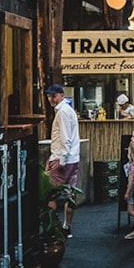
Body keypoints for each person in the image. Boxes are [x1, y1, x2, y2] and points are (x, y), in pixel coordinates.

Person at [44, 84, 80, 238]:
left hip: (61, 159)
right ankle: (66, 227)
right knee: (69, 193)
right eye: (49, 96)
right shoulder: (68, 111)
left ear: (61, 95)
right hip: (73, 158)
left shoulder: (62, 113)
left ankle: (52, 229)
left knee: (49, 194)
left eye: (53, 96)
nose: (51, 99)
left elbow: (65, 137)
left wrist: (62, 160)